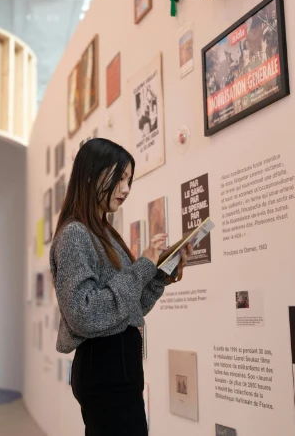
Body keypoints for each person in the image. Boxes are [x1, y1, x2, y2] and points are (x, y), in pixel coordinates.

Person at [51, 138, 193, 436]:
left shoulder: (103, 232)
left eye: (129, 180)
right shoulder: (75, 234)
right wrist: (143, 266)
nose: (126, 189)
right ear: (92, 174)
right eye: (119, 178)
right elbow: (84, 313)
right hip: (104, 369)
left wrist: (161, 273)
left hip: (117, 368)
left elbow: (129, 306)